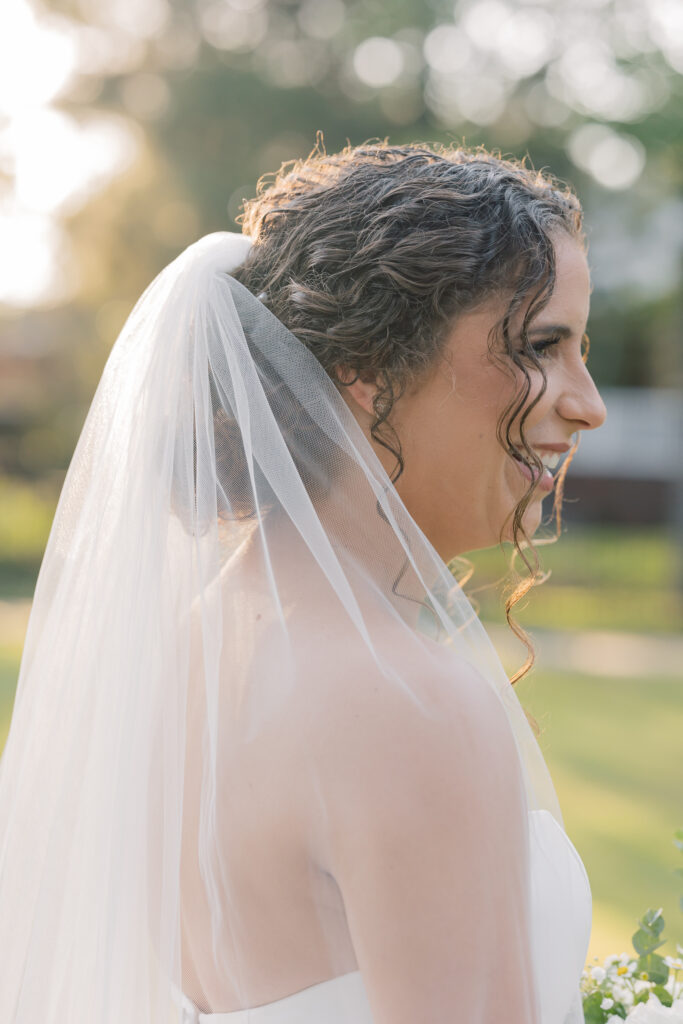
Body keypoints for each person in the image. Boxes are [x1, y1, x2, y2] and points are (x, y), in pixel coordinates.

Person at [0, 140, 605, 1024]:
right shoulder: (409, 708)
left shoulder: (178, 649)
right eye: (540, 347)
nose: (586, 402)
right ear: (368, 368)